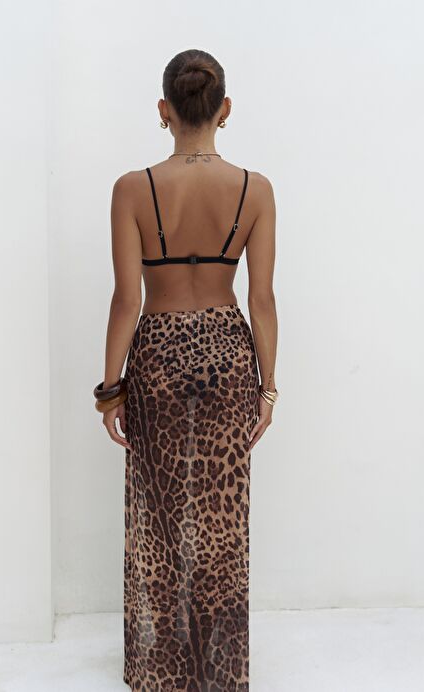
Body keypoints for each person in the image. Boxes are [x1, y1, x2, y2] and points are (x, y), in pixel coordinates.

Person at [94, 48, 278, 692]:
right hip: (229, 353)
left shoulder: (132, 189)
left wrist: (110, 390)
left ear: (164, 110)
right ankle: (219, 673)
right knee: (223, 520)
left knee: (157, 513)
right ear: (223, 109)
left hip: (158, 357)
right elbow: (261, 300)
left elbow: (127, 300)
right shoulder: (255, 190)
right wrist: (268, 387)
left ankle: (159, 670)